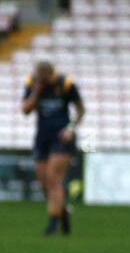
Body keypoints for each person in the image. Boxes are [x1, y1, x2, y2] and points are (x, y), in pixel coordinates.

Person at [22, 60, 84, 236]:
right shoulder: (32, 84)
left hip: (61, 137)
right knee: (44, 184)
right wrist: (36, 92)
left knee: (53, 179)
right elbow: (25, 110)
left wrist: (71, 128)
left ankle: (52, 225)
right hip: (42, 136)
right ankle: (63, 213)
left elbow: (81, 110)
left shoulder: (65, 84)